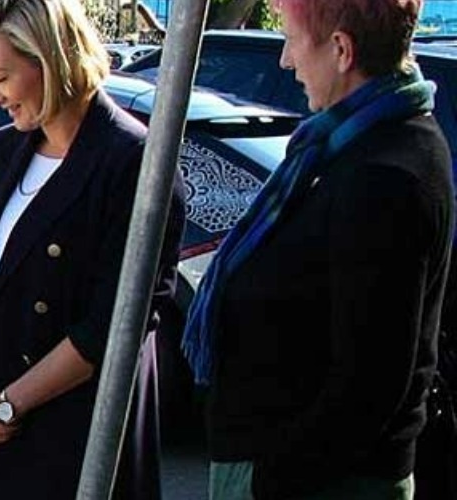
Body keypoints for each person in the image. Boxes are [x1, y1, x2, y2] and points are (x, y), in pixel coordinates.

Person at [180, 0, 451, 497]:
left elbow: (370, 382)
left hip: (319, 480)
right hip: (291, 463)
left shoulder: (384, 175)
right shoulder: (353, 144)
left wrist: (272, 478)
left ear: (342, 50)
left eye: (291, 40)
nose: (285, 60)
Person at [0, 0, 185, 497]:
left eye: (1, 77)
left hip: (72, 440)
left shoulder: (136, 164)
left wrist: (6, 406)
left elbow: (115, 323)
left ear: (49, 59)